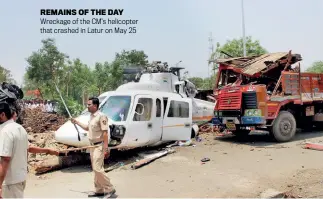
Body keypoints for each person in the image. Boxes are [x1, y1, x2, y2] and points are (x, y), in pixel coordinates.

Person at [0, 102, 60, 198]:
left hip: (9, 182)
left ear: (3, 114)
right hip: (19, 178)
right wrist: (48, 150)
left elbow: (5, 159)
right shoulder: (20, 128)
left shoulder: (5, 131)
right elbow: (29, 148)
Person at [71, 97, 116, 198]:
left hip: (99, 145)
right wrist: (76, 122)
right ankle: (99, 190)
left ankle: (110, 188)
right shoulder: (91, 116)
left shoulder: (101, 116)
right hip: (92, 145)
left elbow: (105, 133)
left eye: (89, 104)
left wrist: (105, 148)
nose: (87, 106)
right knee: (95, 168)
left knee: (97, 168)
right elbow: (88, 128)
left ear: (95, 106)